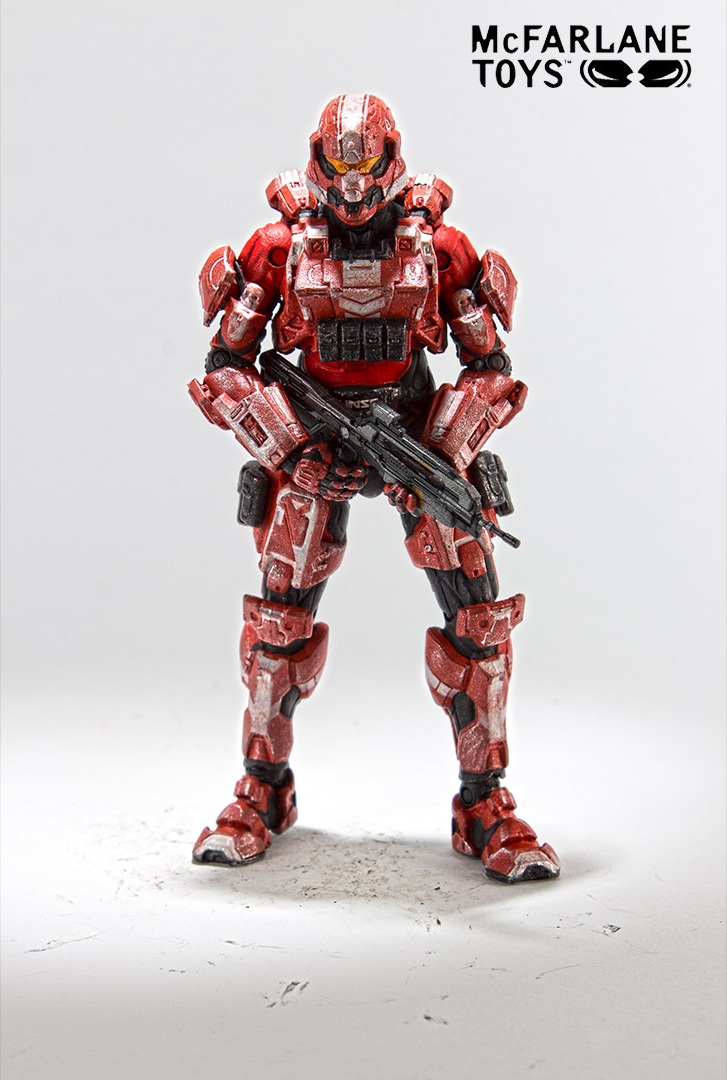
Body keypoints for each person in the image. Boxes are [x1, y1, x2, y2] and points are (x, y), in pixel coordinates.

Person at [189, 94, 560, 883]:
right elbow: (224, 368)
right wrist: (291, 449)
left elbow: (490, 369)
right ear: (317, 158)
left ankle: (483, 804)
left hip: (417, 434)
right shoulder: (279, 248)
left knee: (479, 623)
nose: (353, 181)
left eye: (366, 161)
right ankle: (261, 791)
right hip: (312, 440)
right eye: (339, 160)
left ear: (391, 157)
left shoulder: (440, 248)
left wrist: (441, 451)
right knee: (277, 627)